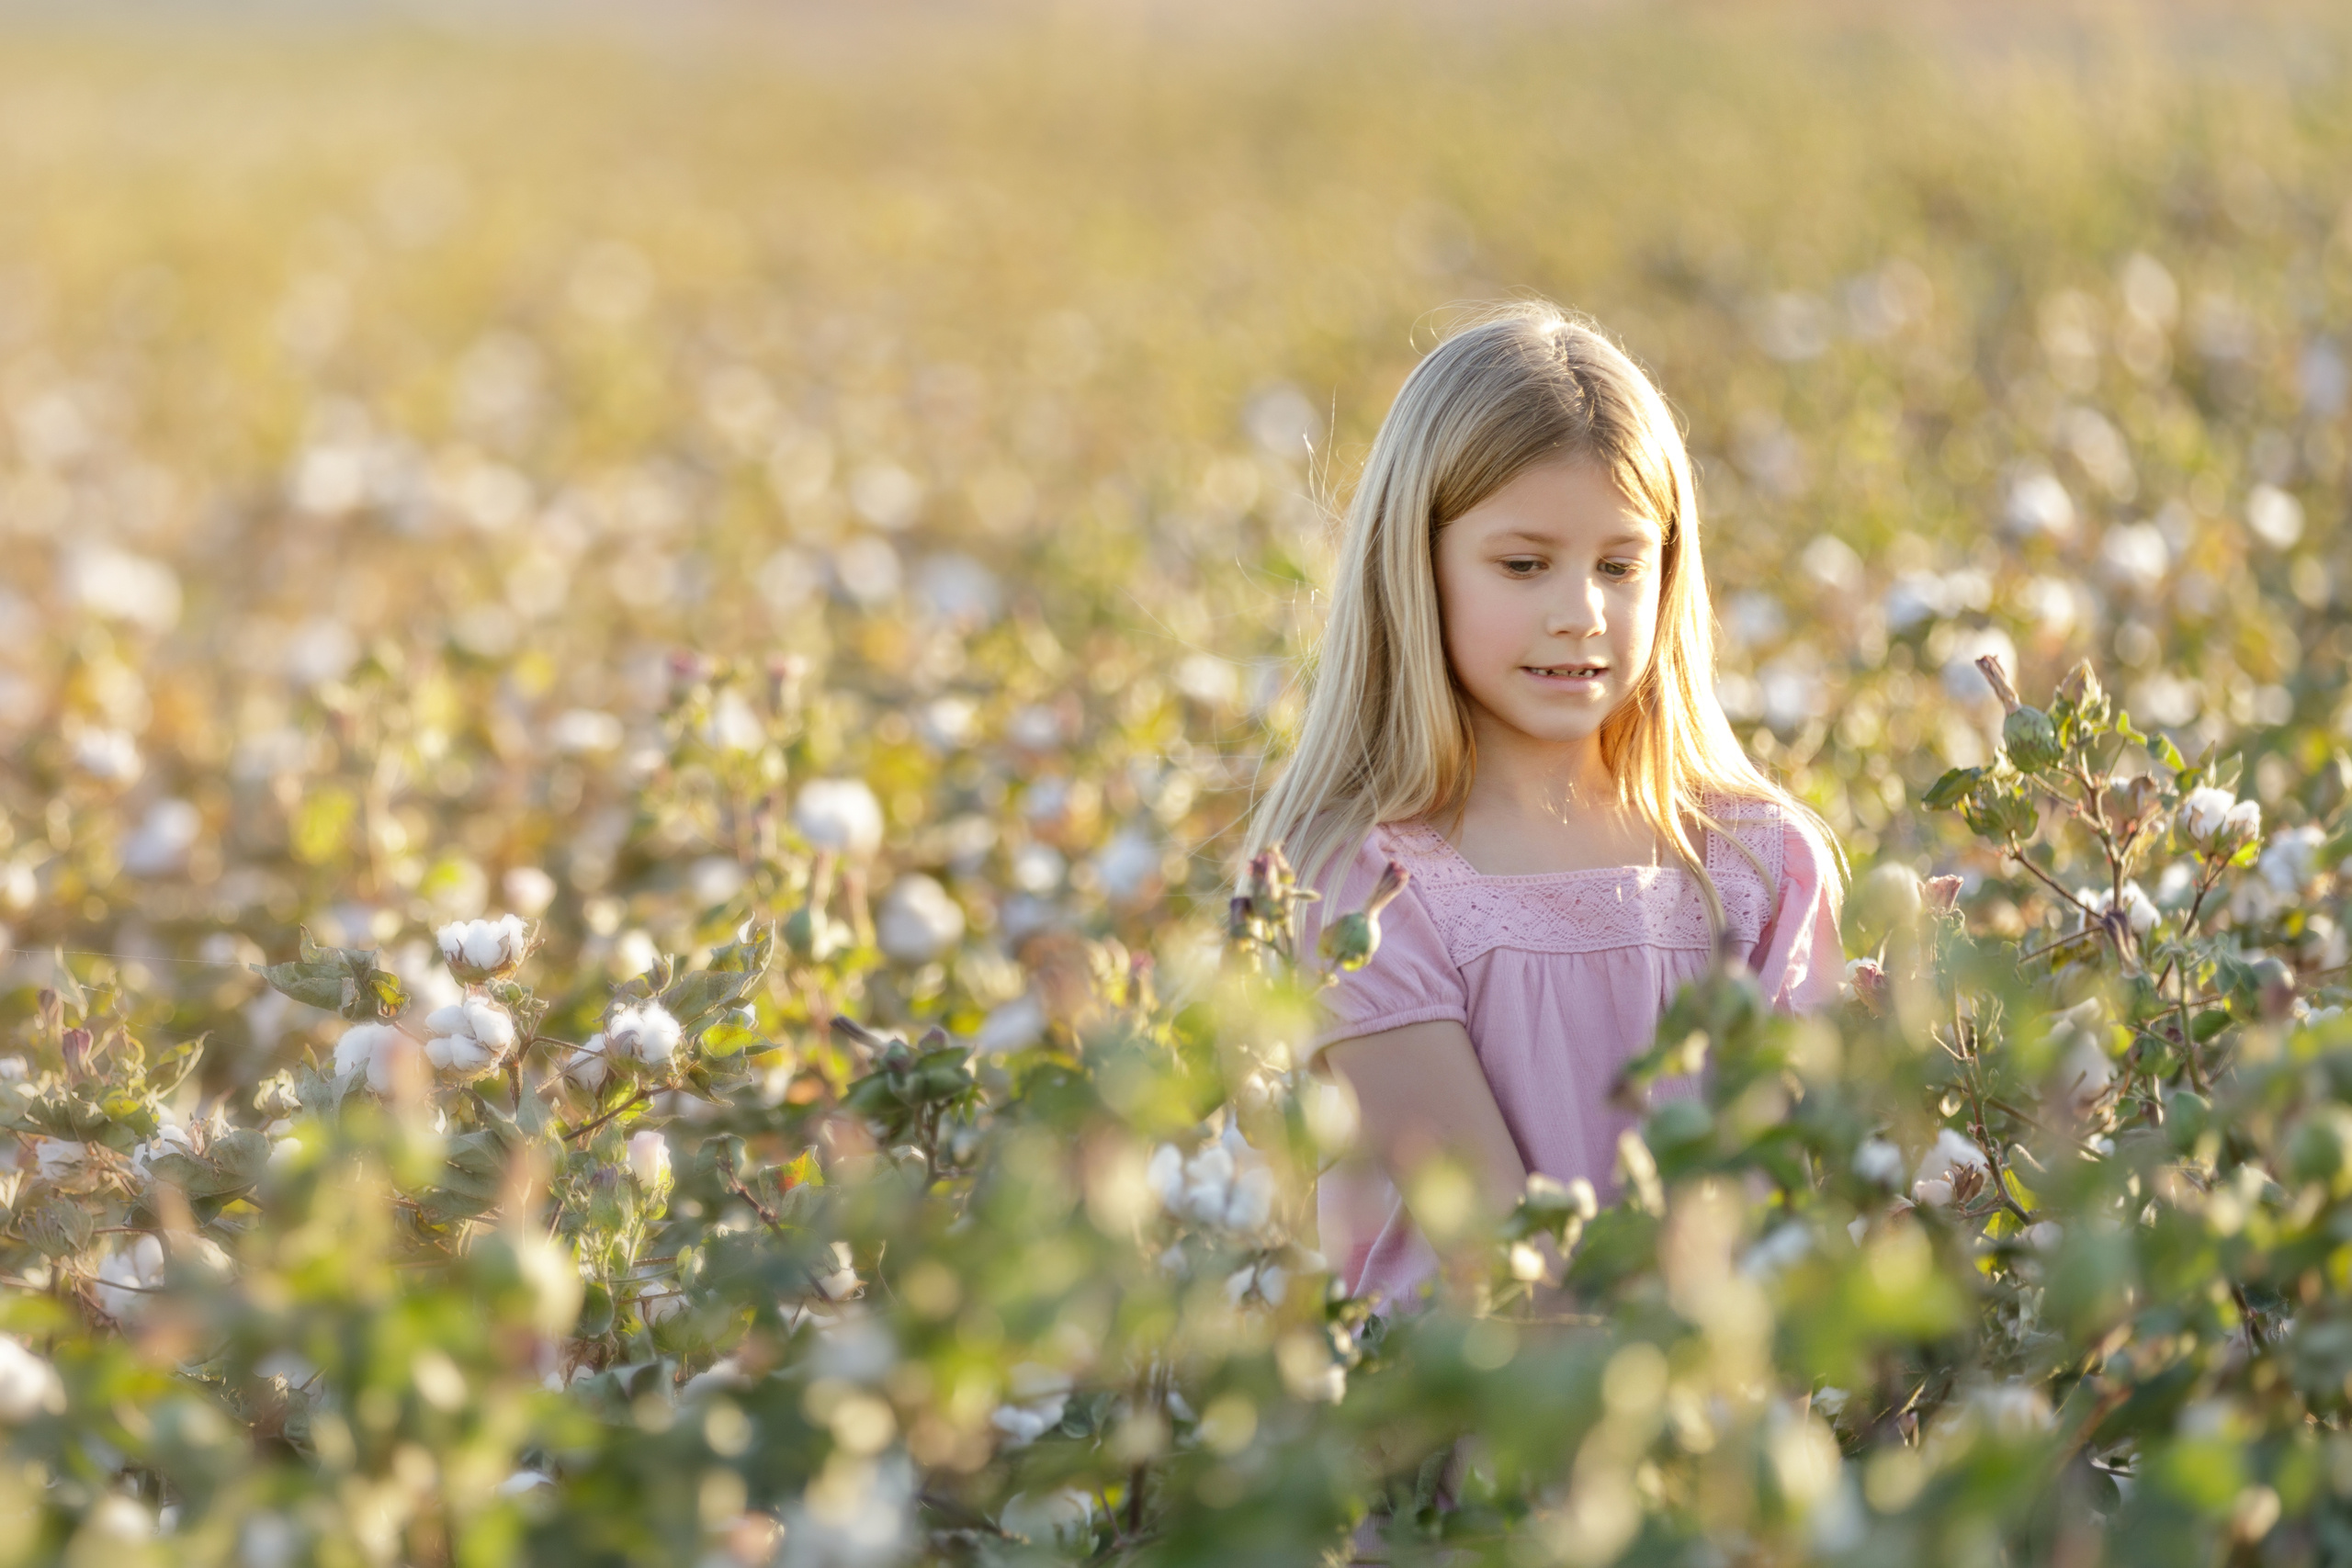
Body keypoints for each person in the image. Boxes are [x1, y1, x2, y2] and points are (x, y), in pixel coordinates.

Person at [1248, 300, 1847, 1315]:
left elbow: (1803, 1209)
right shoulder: (1367, 887)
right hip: (1487, 1449)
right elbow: (1501, 1272)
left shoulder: (1755, 864)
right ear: (1416, 565)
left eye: (1620, 565)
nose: (1580, 612)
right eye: (1523, 565)